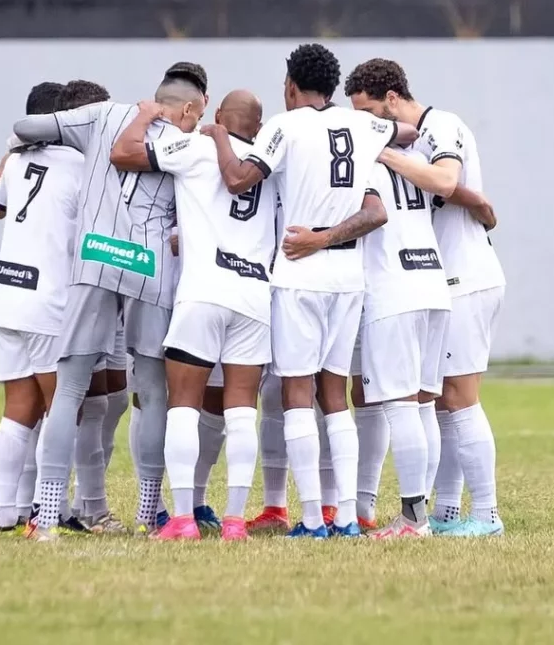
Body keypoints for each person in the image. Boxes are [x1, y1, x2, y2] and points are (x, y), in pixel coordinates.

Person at [204, 43, 418, 538]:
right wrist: (378, 133)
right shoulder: (363, 124)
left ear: (292, 88)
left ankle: (308, 519)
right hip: (348, 277)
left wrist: (217, 134)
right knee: (335, 394)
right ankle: (343, 517)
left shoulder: (285, 125)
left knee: (296, 392)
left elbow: (238, 180)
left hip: (300, 269)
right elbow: (406, 131)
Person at [13, 63, 209, 540]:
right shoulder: (190, 144)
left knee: (71, 386)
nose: (198, 122)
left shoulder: (102, 114)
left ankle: (47, 515)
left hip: (97, 259)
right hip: (151, 268)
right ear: (187, 108)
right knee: (153, 391)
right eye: (198, 114)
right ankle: (147, 513)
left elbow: (26, 127)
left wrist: (29, 149)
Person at [347, 58, 507, 538]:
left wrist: (381, 149)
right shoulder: (409, 141)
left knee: (459, 399)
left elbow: (443, 181)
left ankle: (488, 513)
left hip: (465, 278)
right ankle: (448, 512)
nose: (369, 123)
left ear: (393, 99)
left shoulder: (441, 126)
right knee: (437, 404)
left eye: (373, 112)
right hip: (439, 279)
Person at [110, 89, 271, 541]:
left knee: (182, 405)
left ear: (217, 115)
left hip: (203, 291)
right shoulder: (266, 161)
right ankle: (236, 520)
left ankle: (182, 518)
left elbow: (124, 154)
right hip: (255, 297)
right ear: (257, 127)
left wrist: (146, 116)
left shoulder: (200, 146)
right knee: (242, 411)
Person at [0, 81, 98, 536]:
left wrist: (13, 149)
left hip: (8, 296)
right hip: (50, 302)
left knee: (17, 410)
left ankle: (4, 513)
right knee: (63, 407)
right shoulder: (79, 166)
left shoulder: (16, 161)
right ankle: (48, 509)